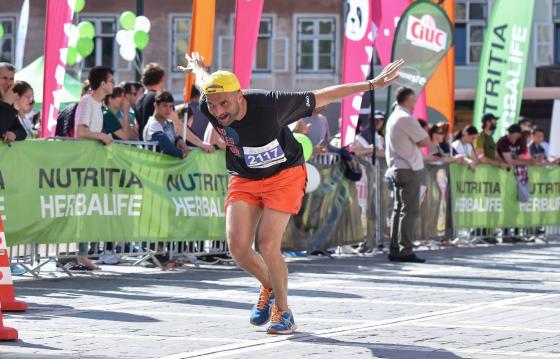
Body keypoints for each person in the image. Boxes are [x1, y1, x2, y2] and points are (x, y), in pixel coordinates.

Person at [179, 51, 403, 335]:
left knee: (268, 244)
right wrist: (198, 68)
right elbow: (202, 82)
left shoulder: (271, 104)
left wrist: (371, 84)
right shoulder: (208, 103)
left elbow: (324, 94)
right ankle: (270, 286)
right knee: (237, 247)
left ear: (240, 96)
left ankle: (284, 312)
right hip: (245, 177)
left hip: (285, 175)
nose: (219, 111)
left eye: (224, 103)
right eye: (212, 105)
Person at [74, 65, 115, 270]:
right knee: (81, 208)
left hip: (92, 162)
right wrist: (102, 136)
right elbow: (80, 131)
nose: (113, 85)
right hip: (82, 162)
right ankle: (78, 255)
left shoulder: (98, 104)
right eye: (111, 81)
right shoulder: (87, 101)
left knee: (88, 208)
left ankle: (83, 254)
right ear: (102, 83)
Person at [384, 87, 431, 264]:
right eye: (413, 101)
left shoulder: (393, 117)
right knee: (409, 210)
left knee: (399, 210)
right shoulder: (405, 118)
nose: (414, 105)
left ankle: (396, 249)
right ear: (406, 101)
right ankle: (405, 249)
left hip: (397, 167)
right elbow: (425, 140)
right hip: (408, 168)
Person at [143, 91, 188, 159]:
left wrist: (179, 139)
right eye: (165, 105)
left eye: (170, 106)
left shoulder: (169, 123)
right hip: (155, 167)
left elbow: (173, 139)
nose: (168, 109)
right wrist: (182, 154)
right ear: (156, 105)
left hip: (169, 167)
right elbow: (167, 147)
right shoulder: (153, 125)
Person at [136, 63, 165, 140]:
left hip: (144, 145)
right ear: (161, 79)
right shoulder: (158, 98)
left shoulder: (139, 100)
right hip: (157, 145)